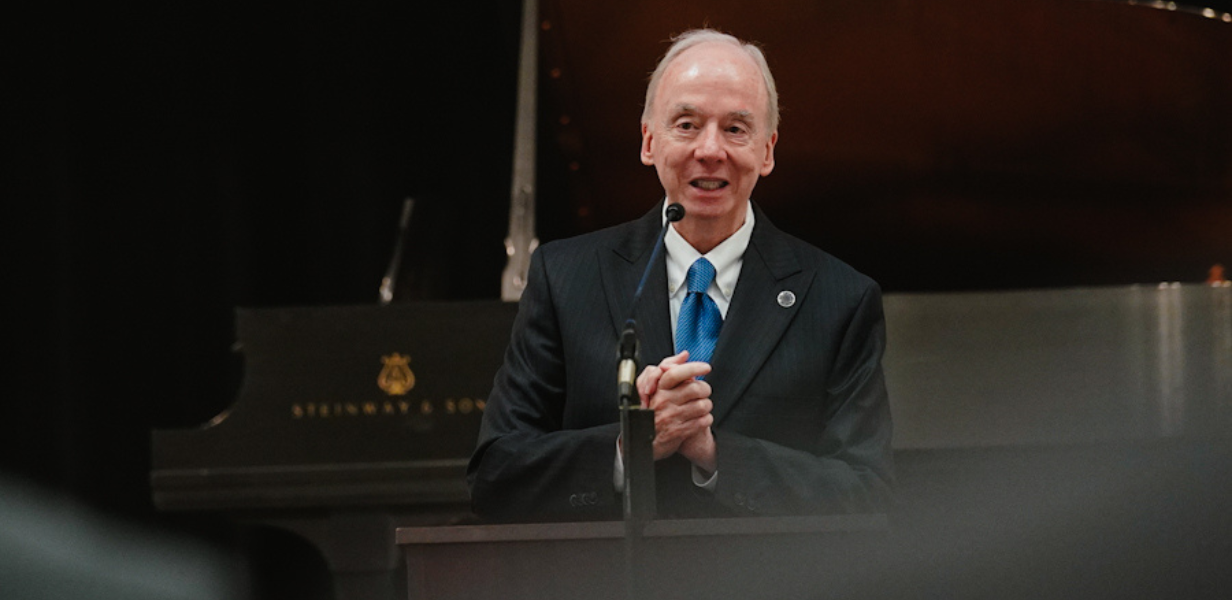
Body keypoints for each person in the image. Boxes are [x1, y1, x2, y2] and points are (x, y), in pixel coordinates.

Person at [467, 28, 893, 522]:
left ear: (768, 150)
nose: (710, 150)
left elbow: (868, 494)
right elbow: (495, 476)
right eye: (687, 125)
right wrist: (630, 448)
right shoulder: (565, 278)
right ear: (649, 141)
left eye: (736, 129)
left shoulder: (840, 299)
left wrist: (716, 455)